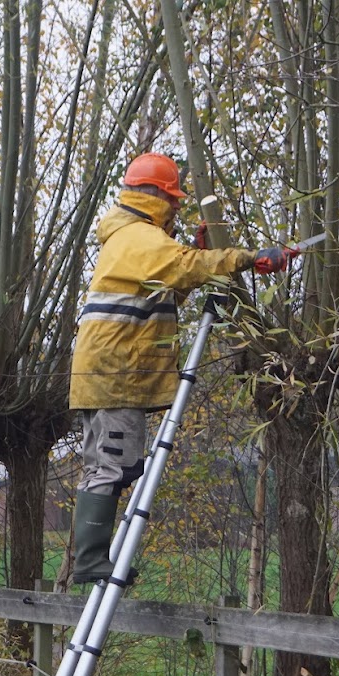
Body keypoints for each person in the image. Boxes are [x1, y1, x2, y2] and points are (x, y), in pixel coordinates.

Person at [68, 152, 295, 584]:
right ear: (153, 194)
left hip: (104, 371)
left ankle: (91, 557)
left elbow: (165, 294)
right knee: (112, 466)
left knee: (106, 464)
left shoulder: (128, 238)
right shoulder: (138, 237)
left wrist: (196, 253)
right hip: (118, 373)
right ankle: (91, 561)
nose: (176, 205)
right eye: (172, 197)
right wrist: (248, 258)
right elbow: (184, 266)